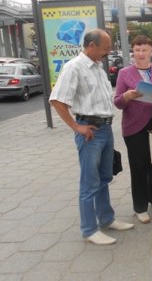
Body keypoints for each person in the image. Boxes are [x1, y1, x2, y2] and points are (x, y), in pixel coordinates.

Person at [49, 29, 134, 245]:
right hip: (90, 132)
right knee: (89, 182)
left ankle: (106, 219)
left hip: (105, 129)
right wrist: (76, 127)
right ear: (91, 45)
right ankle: (89, 229)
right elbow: (57, 100)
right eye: (105, 48)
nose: (108, 52)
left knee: (104, 178)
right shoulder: (74, 67)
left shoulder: (98, 68)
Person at [114, 35, 152, 225]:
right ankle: (140, 207)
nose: (141, 54)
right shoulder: (124, 73)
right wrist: (127, 96)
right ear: (133, 52)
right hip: (133, 127)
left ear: (151, 51)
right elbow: (117, 102)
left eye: (144, 50)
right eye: (137, 50)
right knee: (138, 167)